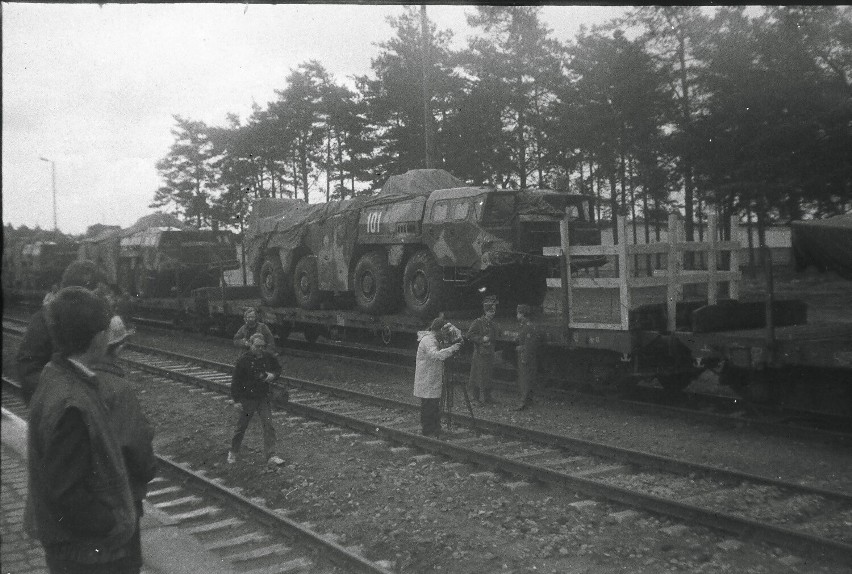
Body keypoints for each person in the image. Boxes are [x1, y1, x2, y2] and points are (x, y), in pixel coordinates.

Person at [25, 286, 139, 574]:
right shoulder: (71, 403)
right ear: (99, 338)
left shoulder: (56, 376)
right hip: (88, 556)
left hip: (79, 551)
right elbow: (67, 494)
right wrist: (110, 524)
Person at [92, 315, 157, 573]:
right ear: (118, 346)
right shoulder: (118, 388)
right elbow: (137, 451)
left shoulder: (67, 378)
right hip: (120, 501)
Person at [16, 260, 108, 404]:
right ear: (79, 293)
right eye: (98, 294)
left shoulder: (90, 319)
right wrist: (65, 398)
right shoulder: (45, 319)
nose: (103, 300)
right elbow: (29, 370)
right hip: (61, 411)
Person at [228, 333, 285, 465]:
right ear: (251, 345)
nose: (260, 349)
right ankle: (233, 451)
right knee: (242, 426)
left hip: (263, 398)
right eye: (257, 346)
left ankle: (271, 455)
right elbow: (235, 381)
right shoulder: (243, 360)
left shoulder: (267, 357)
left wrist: (273, 375)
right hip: (247, 399)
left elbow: (278, 369)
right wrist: (236, 401)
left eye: (262, 346)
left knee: (268, 425)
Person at [413, 317, 462, 437]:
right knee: (428, 406)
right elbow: (436, 355)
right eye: (443, 331)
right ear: (438, 330)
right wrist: (452, 348)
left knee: (435, 405)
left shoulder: (434, 338)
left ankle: (436, 428)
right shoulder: (427, 340)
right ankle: (428, 430)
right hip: (427, 378)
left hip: (433, 377)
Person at [466, 295, 499, 405]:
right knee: (477, 375)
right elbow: (469, 335)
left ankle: (487, 396)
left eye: (493, 311)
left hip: (489, 353)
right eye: (490, 311)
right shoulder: (478, 322)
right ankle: (475, 398)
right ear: (485, 312)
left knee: (488, 375)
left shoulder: (493, 324)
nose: (492, 313)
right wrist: (481, 339)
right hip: (480, 354)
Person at [515, 304, 541, 411]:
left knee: (525, 379)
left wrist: (524, 356)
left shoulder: (528, 326)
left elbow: (530, 345)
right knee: (526, 379)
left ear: (522, 314)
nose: (517, 315)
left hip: (526, 356)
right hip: (525, 355)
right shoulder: (524, 325)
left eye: (518, 313)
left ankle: (524, 402)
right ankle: (528, 400)